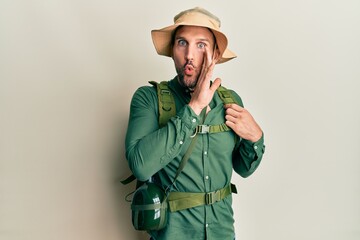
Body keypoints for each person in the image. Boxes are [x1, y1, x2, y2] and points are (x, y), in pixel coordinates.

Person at [125, 7, 265, 240]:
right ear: (172, 50)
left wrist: (256, 138)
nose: (190, 54)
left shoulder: (231, 101)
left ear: (216, 54)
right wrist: (194, 108)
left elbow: (244, 168)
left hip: (223, 233)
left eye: (201, 45)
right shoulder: (149, 98)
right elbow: (139, 165)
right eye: (182, 43)